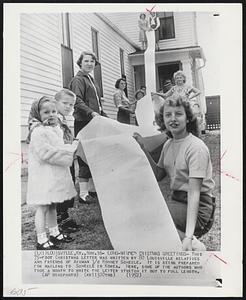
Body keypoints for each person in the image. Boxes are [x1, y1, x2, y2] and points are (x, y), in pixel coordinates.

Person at [133, 96, 216, 251]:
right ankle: (179, 242)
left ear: (188, 118)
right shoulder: (168, 144)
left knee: (153, 217)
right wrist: (142, 148)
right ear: (162, 120)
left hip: (199, 209)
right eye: (168, 115)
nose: (173, 119)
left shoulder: (196, 147)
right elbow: (158, 174)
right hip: (177, 201)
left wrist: (189, 235)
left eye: (178, 114)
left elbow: (194, 194)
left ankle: (194, 245)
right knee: (143, 213)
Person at [26, 96, 79, 250]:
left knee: (52, 205)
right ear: (37, 113)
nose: (51, 115)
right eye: (46, 112)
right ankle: (41, 239)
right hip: (43, 177)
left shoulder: (53, 129)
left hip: (52, 176)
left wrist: (66, 146)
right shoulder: (38, 132)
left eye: (54, 111)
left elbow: (58, 146)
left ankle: (54, 232)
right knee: (42, 207)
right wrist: (69, 151)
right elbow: (46, 154)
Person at [69, 51, 108, 202]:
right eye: (86, 61)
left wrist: (103, 115)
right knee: (85, 156)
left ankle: (91, 190)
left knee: (94, 155)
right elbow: (77, 100)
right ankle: (83, 194)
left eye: (92, 61)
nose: (90, 64)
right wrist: (91, 113)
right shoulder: (78, 80)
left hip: (94, 121)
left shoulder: (91, 79)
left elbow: (97, 103)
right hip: (83, 122)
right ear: (80, 63)